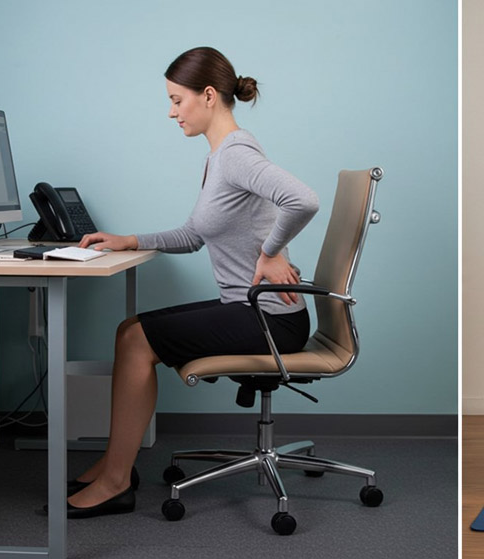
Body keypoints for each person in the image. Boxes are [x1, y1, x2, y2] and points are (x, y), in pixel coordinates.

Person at [59, 46, 319, 518]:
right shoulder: (220, 157)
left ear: (208, 95)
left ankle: (116, 481)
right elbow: (195, 235)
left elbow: (303, 200)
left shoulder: (236, 154)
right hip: (253, 311)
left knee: (138, 339)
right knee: (129, 331)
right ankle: (116, 464)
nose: (172, 111)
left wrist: (270, 252)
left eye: (178, 100)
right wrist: (128, 239)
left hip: (270, 320)